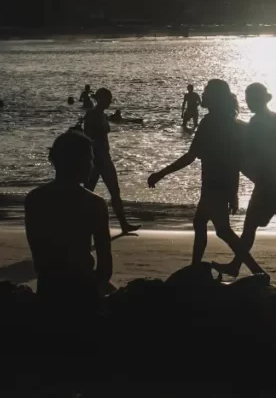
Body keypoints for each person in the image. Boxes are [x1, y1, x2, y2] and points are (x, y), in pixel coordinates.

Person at [148, 79, 263, 271]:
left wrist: (161, 174)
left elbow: (191, 156)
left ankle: (256, 270)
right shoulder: (229, 122)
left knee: (221, 230)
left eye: (207, 91)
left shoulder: (210, 122)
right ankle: (199, 266)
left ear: (215, 97)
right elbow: (236, 162)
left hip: (214, 185)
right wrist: (233, 192)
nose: (203, 94)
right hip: (219, 184)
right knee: (205, 224)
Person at [215, 83, 276, 283]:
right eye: (247, 97)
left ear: (259, 100)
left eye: (250, 98)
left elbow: (251, 153)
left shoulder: (256, 123)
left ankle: (236, 265)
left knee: (251, 226)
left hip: (268, 185)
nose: (248, 101)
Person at [24, 131, 112, 313]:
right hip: (83, 290)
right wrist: (98, 292)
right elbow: (105, 265)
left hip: (48, 288)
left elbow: (38, 256)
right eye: (90, 158)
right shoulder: (94, 204)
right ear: (79, 162)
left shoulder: (35, 199)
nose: (92, 165)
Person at [83, 87, 140, 235]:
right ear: (101, 99)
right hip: (96, 159)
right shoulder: (92, 115)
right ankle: (79, 223)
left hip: (104, 157)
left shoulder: (102, 115)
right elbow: (88, 137)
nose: (110, 102)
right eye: (108, 99)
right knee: (87, 193)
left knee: (114, 191)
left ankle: (123, 224)